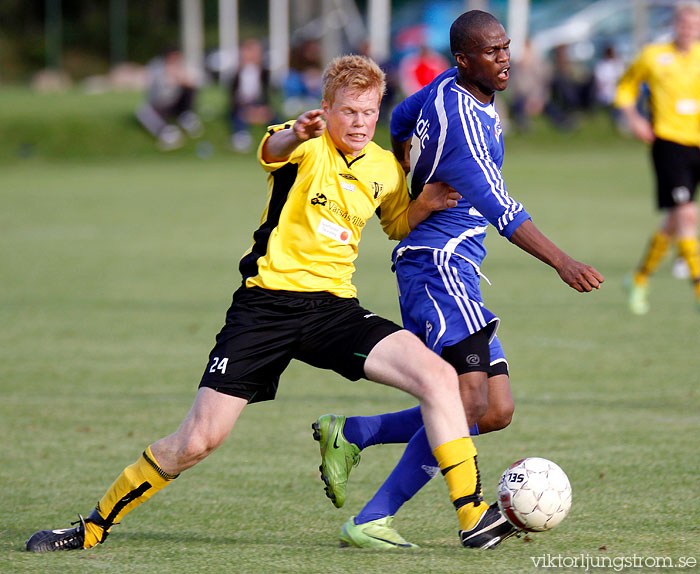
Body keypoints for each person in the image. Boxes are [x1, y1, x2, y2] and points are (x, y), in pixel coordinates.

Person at [25, 54, 507, 553]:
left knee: (440, 378)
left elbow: (392, 223)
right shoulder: (306, 143)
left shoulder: (385, 168)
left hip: (333, 310)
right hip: (264, 310)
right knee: (197, 441)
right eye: (347, 112)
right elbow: (273, 147)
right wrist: (297, 133)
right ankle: (94, 526)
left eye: (368, 112)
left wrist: (420, 207)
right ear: (326, 108)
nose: (359, 123)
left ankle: (472, 514)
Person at [312, 10, 604, 549]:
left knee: (495, 411)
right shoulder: (463, 134)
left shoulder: (447, 87)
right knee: (464, 402)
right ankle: (376, 518)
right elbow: (507, 214)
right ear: (463, 59)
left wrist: (412, 185)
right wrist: (564, 262)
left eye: (506, 47)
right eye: (491, 52)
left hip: (454, 266)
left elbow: (400, 117)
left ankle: (354, 433)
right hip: (439, 266)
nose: (504, 59)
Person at [615, 1, 700, 314]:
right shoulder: (654, 56)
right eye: (684, 25)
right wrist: (634, 119)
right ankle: (697, 286)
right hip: (668, 143)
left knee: (675, 221)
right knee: (688, 215)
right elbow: (625, 86)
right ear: (675, 26)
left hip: (697, 143)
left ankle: (638, 278)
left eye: (694, 26)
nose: (688, 30)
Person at [135, 49, 204, 151]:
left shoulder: (184, 66)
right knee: (143, 112)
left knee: (190, 89)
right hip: (161, 104)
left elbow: (197, 81)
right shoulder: (157, 69)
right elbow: (158, 93)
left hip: (178, 104)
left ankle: (187, 117)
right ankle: (166, 132)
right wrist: (171, 79)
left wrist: (182, 79)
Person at [227, 38, 274, 153]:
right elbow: (232, 96)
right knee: (237, 115)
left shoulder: (265, 73)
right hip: (242, 105)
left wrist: (261, 108)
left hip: (260, 104)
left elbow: (267, 94)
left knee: (274, 118)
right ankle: (240, 136)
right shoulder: (236, 74)